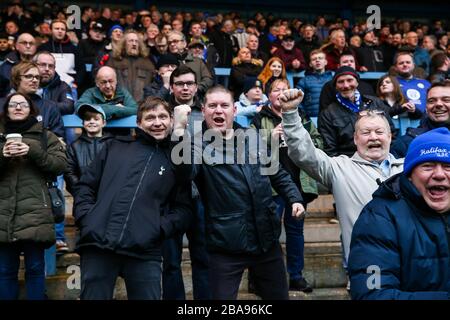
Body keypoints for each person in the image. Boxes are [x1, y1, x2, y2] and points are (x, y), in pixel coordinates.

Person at [172, 85, 305, 300]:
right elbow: (184, 172)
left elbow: (277, 173)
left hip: (266, 241)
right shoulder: (196, 143)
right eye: (212, 106)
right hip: (226, 245)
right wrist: (179, 130)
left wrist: (294, 198)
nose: (218, 111)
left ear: (234, 110)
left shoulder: (253, 136)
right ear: (203, 110)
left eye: (224, 105)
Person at [279, 89, 404, 290]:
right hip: (369, 269)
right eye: (365, 132)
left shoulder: (408, 170)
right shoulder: (339, 168)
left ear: (390, 136)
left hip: (411, 266)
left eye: (379, 132)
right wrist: (291, 113)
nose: (373, 137)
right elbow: (304, 154)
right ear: (355, 139)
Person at [73, 97, 192, 300]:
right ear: (139, 123)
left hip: (145, 249)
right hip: (98, 244)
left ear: (171, 121)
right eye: (150, 117)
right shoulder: (115, 147)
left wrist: (158, 228)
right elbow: (86, 186)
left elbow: (184, 208)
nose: (157, 123)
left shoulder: (177, 158)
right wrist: (87, 218)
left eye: (163, 117)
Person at [348, 127, 450, 300]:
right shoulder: (378, 218)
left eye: (447, 166)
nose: (439, 174)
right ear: (409, 175)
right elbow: (372, 294)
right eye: (427, 166)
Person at [251, 78, 323, 292]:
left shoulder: (301, 117)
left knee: (295, 232)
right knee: (265, 232)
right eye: (276, 90)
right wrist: (270, 139)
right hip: (270, 184)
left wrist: (300, 139)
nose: (281, 93)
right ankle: (259, 279)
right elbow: (250, 151)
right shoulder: (260, 119)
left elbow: (318, 142)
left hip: (298, 183)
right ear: (269, 96)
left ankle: (296, 276)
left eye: (285, 89)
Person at [0, 92, 67, 300]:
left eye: (23, 104)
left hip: (36, 212)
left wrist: (32, 150)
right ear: (6, 110)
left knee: (36, 269)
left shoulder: (45, 136)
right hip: (3, 213)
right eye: (13, 104)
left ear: (31, 109)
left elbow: (60, 165)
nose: (18, 107)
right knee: (5, 271)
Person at [318, 66, 396, 157]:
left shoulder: (375, 103)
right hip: (349, 162)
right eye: (340, 82)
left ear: (357, 82)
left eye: (349, 80)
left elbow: (391, 133)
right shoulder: (328, 114)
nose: (346, 85)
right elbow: (330, 149)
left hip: (380, 157)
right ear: (336, 86)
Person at [391, 81, 450, 158]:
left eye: (446, 100)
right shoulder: (408, 142)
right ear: (426, 108)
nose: (438, 104)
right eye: (431, 101)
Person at [64, 104, 113, 197]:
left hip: (108, 196)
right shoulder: (74, 146)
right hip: (83, 197)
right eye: (87, 119)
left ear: (104, 123)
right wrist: (81, 191)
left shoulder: (113, 144)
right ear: (83, 123)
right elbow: (69, 172)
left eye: (96, 119)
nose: (91, 122)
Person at [106, 29, 155, 102]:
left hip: (142, 106)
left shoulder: (147, 63)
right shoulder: (114, 61)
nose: (134, 44)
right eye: (131, 41)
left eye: (136, 41)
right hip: (120, 104)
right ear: (124, 44)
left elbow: (153, 85)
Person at [296, 49, 333, 117]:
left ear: (325, 62)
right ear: (310, 64)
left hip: (331, 119)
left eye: (320, 58)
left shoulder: (333, 78)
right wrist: (305, 116)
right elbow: (297, 101)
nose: (317, 60)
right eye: (314, 59)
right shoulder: (304, 81)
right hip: (312, 119)